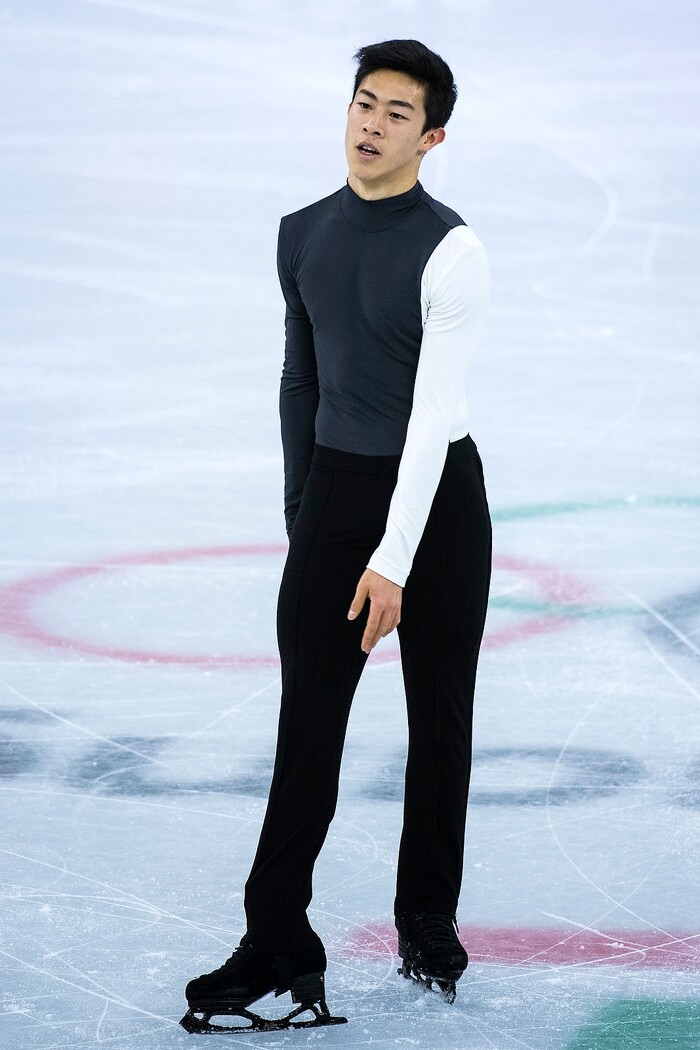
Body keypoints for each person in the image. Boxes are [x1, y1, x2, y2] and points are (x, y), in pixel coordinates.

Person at [180, 38, 492, 1034]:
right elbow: (299, 381)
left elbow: (433, 421)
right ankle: (277, 940)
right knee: (307, 731)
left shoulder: (453, 249)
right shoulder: (300, 233)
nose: (372, 123)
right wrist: (301, 511)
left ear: (431, 135)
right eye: (364, 103)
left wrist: (389, 562)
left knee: (437, 723)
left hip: (435, 506)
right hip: (337, 495)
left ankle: (427, 926)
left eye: (398, 112)